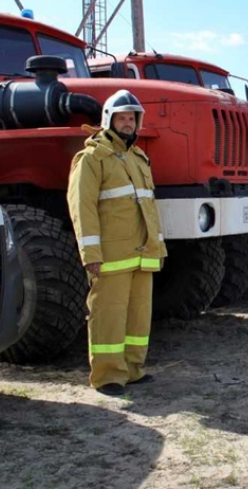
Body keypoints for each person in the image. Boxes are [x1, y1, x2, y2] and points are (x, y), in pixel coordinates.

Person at [67, 89, 167, 397]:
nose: (128, 123)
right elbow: (81, 208)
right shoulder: (91, 158)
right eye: (122, 117)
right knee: (108, 314)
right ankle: (108, 376)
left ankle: (132, 369)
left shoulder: (139, 158)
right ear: (109, 119)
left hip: (143, 254)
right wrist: (91, 254)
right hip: (111, 255)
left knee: (138, 316)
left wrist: (158, 247)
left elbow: (149, 207)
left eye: (132, 118)